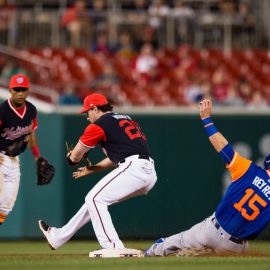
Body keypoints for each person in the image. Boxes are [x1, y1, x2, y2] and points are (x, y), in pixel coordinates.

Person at [144, 99, 270, 256]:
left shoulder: (248, 170)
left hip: (212, 231)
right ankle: (195, 253)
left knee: (173, 243)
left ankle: (148, 255)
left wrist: (207, 120)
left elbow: (224, 149)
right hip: (236, 247)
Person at [38, 93, 157, 257]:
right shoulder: (123, 119)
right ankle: (58, 237)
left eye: (87, 112)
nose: (87, 117)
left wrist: (71, 157)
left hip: (134, 167)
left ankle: (113, 246)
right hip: (147, 171)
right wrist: (92, 168)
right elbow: (118, 155)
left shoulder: (99, 124)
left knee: (94, 199)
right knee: (94, 202)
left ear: (95, 108)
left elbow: (75, 157)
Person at [0, 74, 53, 225]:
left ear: (28, 90)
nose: (20, 93)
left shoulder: (31, 109)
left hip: (15, 161)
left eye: (23, 89)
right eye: (17, 89)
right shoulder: (3, 110)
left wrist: (38, 156)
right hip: (0, 157)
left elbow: (31, 133)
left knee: (6, 206)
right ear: (10, 90)